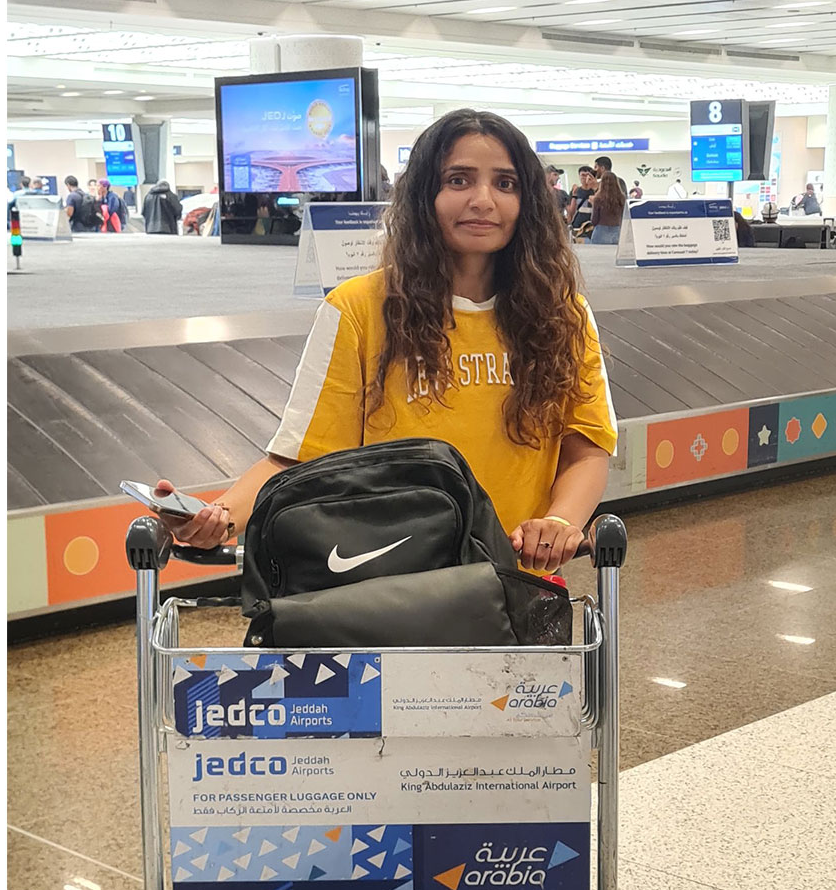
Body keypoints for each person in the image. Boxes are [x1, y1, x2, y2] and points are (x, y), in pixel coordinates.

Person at [152, 107, 618, 575]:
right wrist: (221, 516)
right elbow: (296, 457)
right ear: (423, 196)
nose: (483, 199)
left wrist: (560, 521)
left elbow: (586, 446)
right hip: (387, 588)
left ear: (528, 201)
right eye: (458, 180)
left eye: (505, 183)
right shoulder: (358, 310)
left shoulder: (563, 315)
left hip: (516, 585)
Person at [588, 166, 625, 245]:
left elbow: (594, 220)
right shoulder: (622, 198)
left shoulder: (598, 198)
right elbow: (623, 217)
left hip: (600, 232)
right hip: (617, 231)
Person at [566, 166, 597, 233]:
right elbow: (571, 212)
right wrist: (574, 195)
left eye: (587, 175)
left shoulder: (596, 191)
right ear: (579, 176)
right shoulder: (576, 191)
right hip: (577, 226)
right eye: (582, 175)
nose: (585, 177)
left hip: (592, 226)